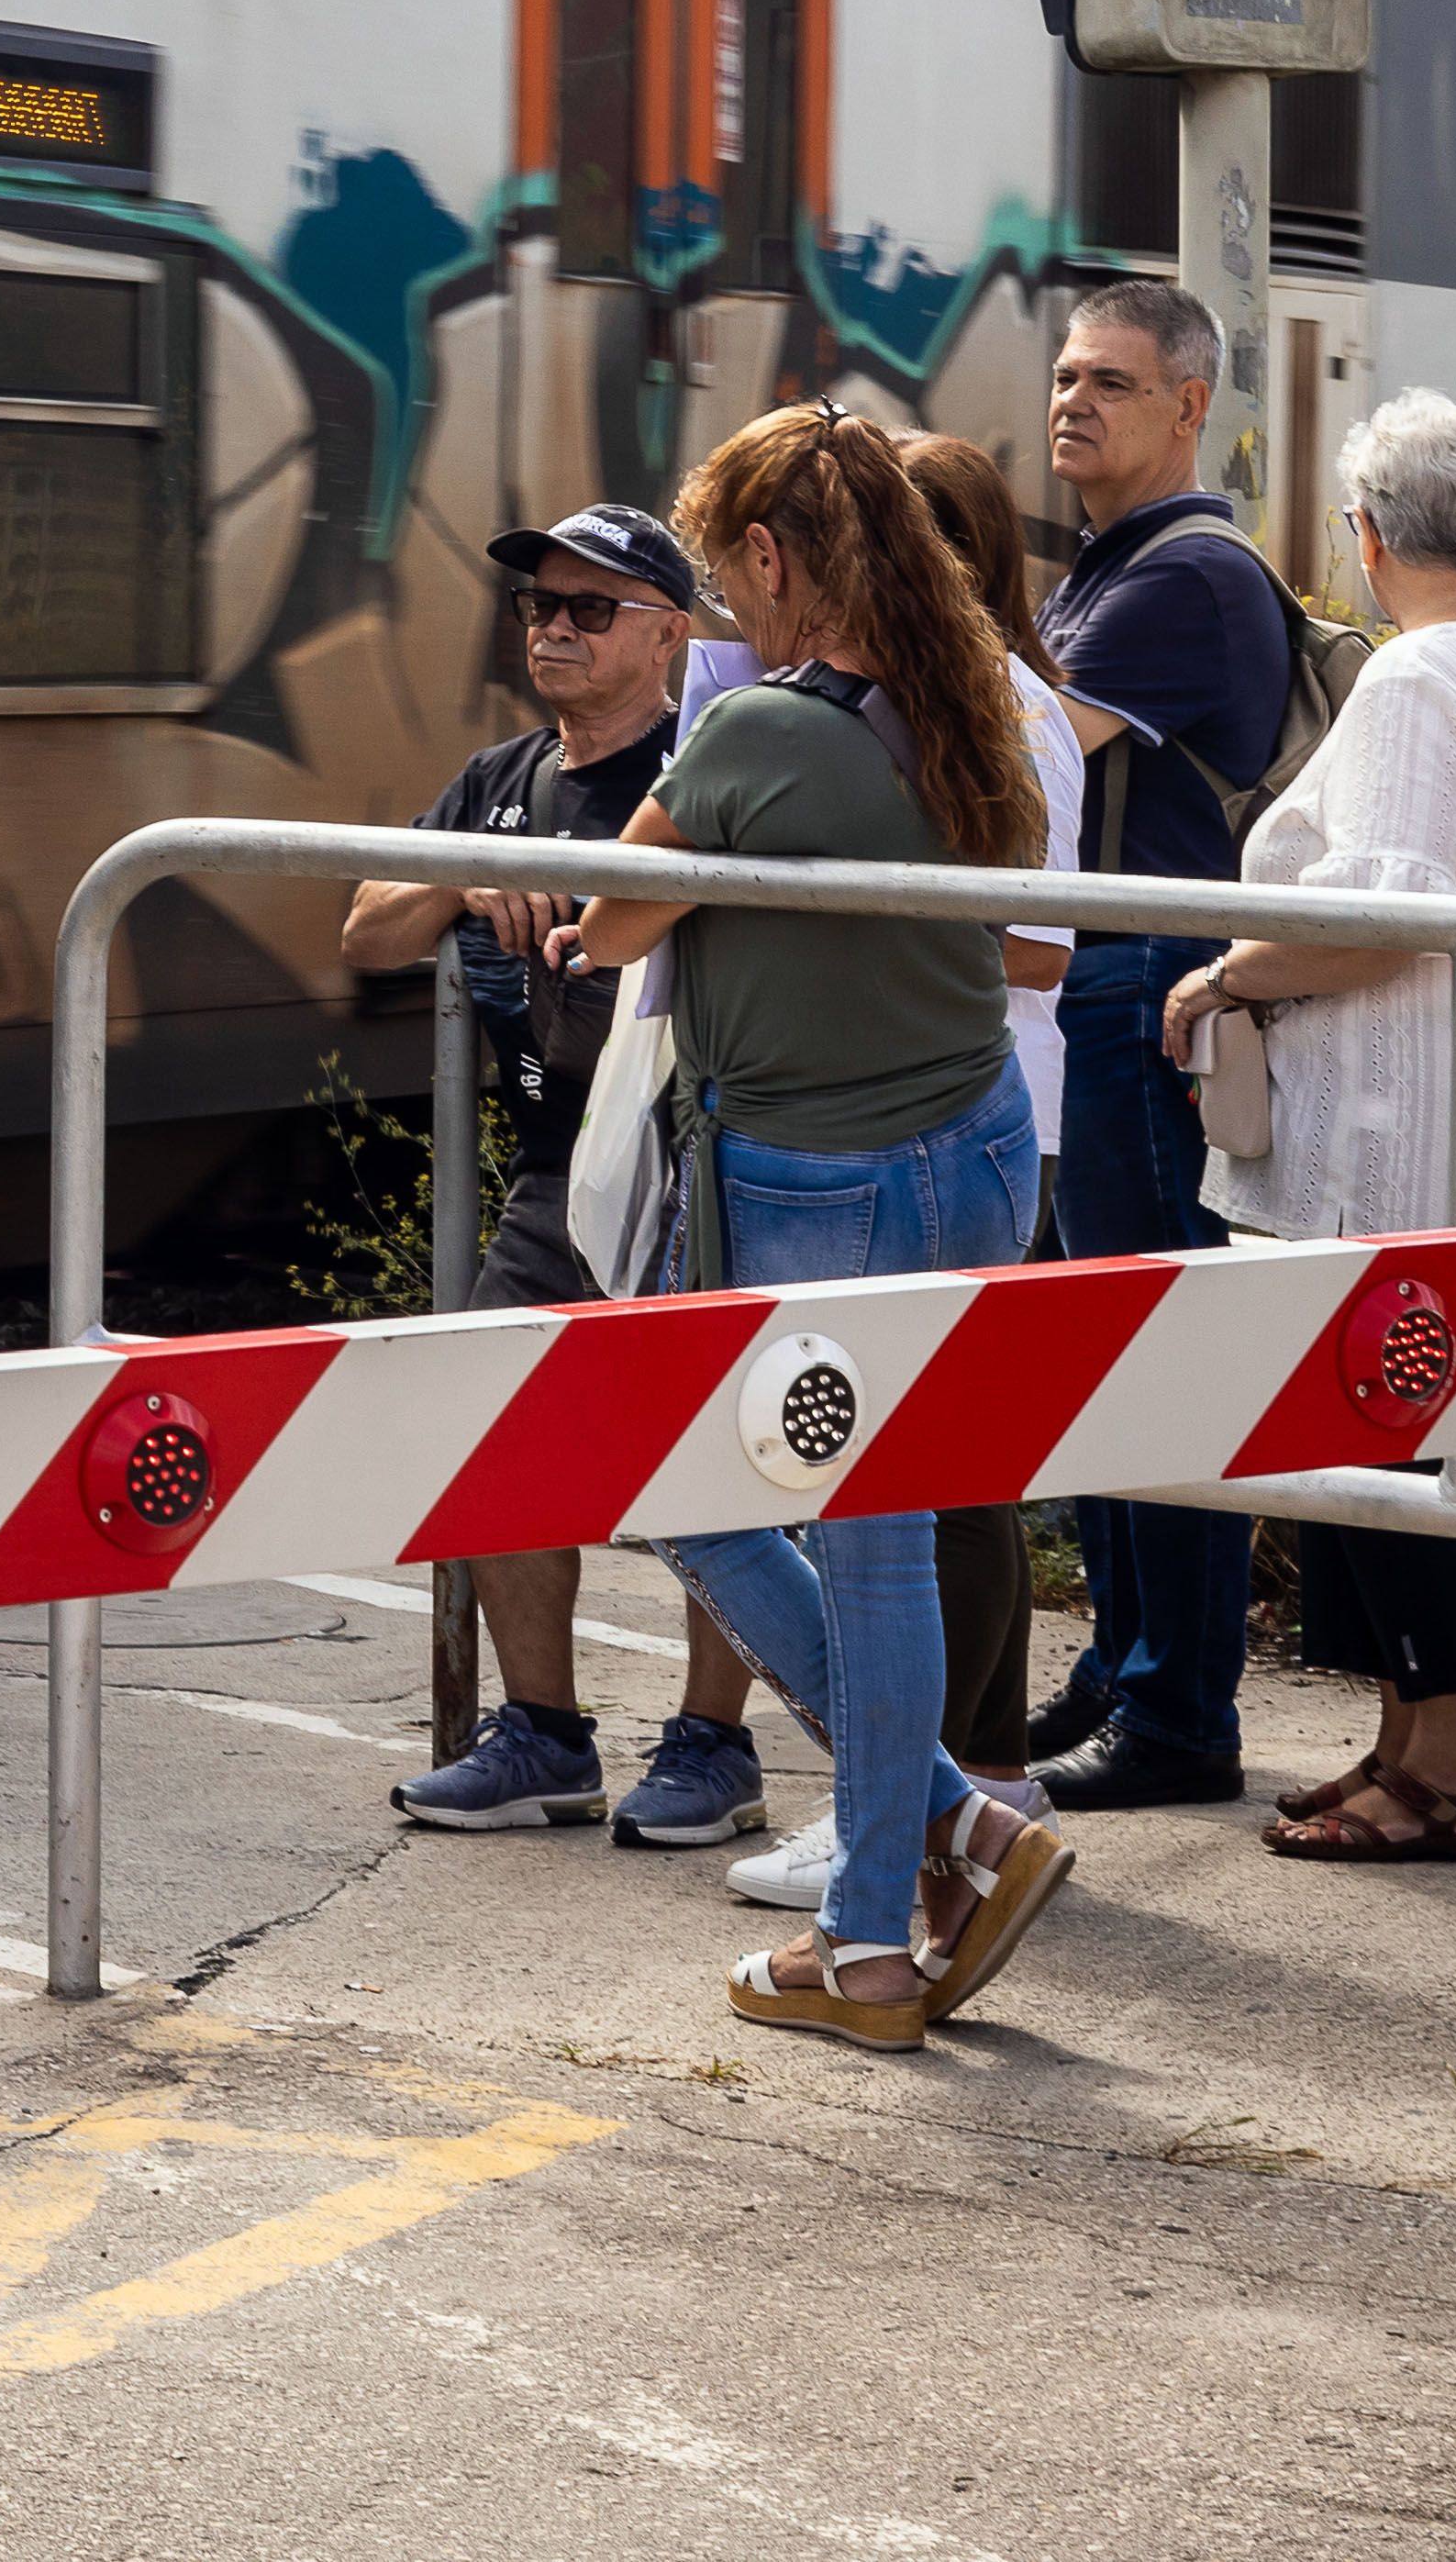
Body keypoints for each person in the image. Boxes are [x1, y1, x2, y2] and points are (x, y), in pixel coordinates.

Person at [551, 408, 1075, 2051]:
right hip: (975, 1143)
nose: (724, 608)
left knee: (755, 1521)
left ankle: (870, 1943)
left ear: (776, 560)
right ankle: (947, 1831)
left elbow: (613, 920)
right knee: (880, 1528)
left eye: (726, 575)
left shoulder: (763, 737)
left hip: (814, 1178)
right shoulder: (964, 707)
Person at [1150, 393, 1456, 1868]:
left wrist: (1223, 974)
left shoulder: (1416, 680)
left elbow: (1377, 915)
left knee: (1396, 1447)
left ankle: (1443, 1779)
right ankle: (1409, 1748)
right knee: (1433, 1445)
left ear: (1365, 539)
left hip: (1391, 1139)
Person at [346, 504, 771, 1842]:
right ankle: (541, 1733)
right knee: (484, 1413)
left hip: (689, 1156)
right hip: (553, 1153)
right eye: (537, 607)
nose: (553, 629)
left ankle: (712, 1746)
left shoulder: (703, 766)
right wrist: (472, 879)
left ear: (668, 634)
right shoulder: (500, 778)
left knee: (720, 1450)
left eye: (589, 609)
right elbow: (362, 930)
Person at [705, 427, 1082, 1925]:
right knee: (891, 1499)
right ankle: (935, 1825)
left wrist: (846, 906)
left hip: (917, 1129)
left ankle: (930, 1829)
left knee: (893, 1505)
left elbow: (1041, 941)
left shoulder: (972, 711)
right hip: (955, 1122)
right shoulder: (927, 711)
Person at [1030, 277, 1304, 1810]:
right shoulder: (1111, 570)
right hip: (1111, 981)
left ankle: (1181, 1710)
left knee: (1154, 1348)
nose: (1074, 401)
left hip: (1150, 986)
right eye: (1067, 375)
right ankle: (1121, 1665)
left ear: (1190, 405)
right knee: (1098, 1351)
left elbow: (1016, 762)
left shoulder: (1179, 582)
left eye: (1113, 382)